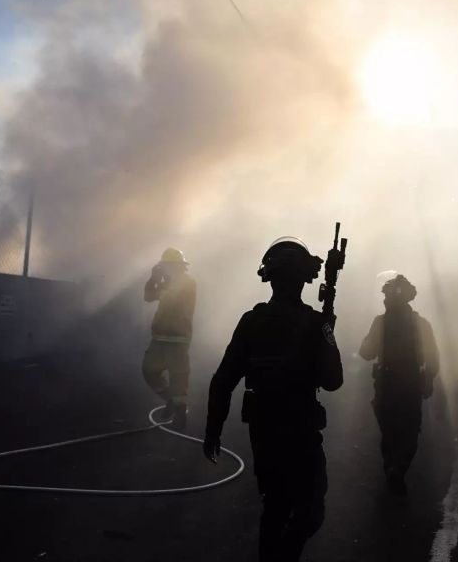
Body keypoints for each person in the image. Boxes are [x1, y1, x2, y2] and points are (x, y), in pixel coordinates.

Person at [204, 237, 343, 562]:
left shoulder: (252, 322)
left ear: (269, 277)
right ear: (304, 280)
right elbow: (333, 381)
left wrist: (213, 429)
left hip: (265, 433)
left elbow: (223, 379)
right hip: (300, 431)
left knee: (276, 506)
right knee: (308, 511)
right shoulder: (313, 323)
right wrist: (327, 334)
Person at [359, 274, 439, 495]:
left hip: (387, 384)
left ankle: (393, 469)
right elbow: (433, 357)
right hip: (410, 384)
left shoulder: (380, 323)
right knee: (409, 432)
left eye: (387, 296)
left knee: (390, 432)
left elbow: (366, 353)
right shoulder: (421, 324)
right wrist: (429, 379)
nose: (385, 300)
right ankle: (398, 470)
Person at [142, 247, 196, 429]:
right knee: (149, 371)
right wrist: (153, 279)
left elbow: (169, 296)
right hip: (159, 337)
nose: (165, 270)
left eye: (167, 266)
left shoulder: (187, 283)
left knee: (178, 377)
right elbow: (148, 297)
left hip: (177, 339)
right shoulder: (167, 282)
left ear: (178, 267)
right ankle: (171, 401)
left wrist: (160, 281)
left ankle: (180, 414)